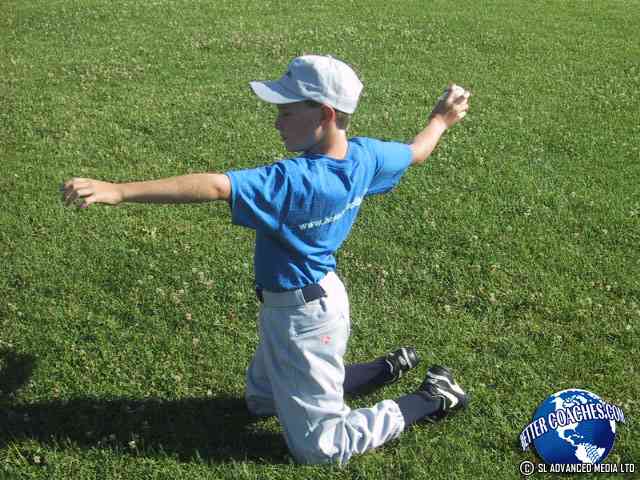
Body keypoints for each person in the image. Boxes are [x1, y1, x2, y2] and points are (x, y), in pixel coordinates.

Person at [61, 54, 471, 465]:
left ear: (325, 114)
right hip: (312, 300)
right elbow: (416, 152)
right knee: (263, 399)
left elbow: (217, 186)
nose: (277, 122)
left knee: (322, 448)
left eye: (286, 112)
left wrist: (119, 190)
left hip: (306, 319)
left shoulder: (294, 181)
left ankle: (433, 397)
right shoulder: (366, 156)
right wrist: (440, 120)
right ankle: (385, 369)